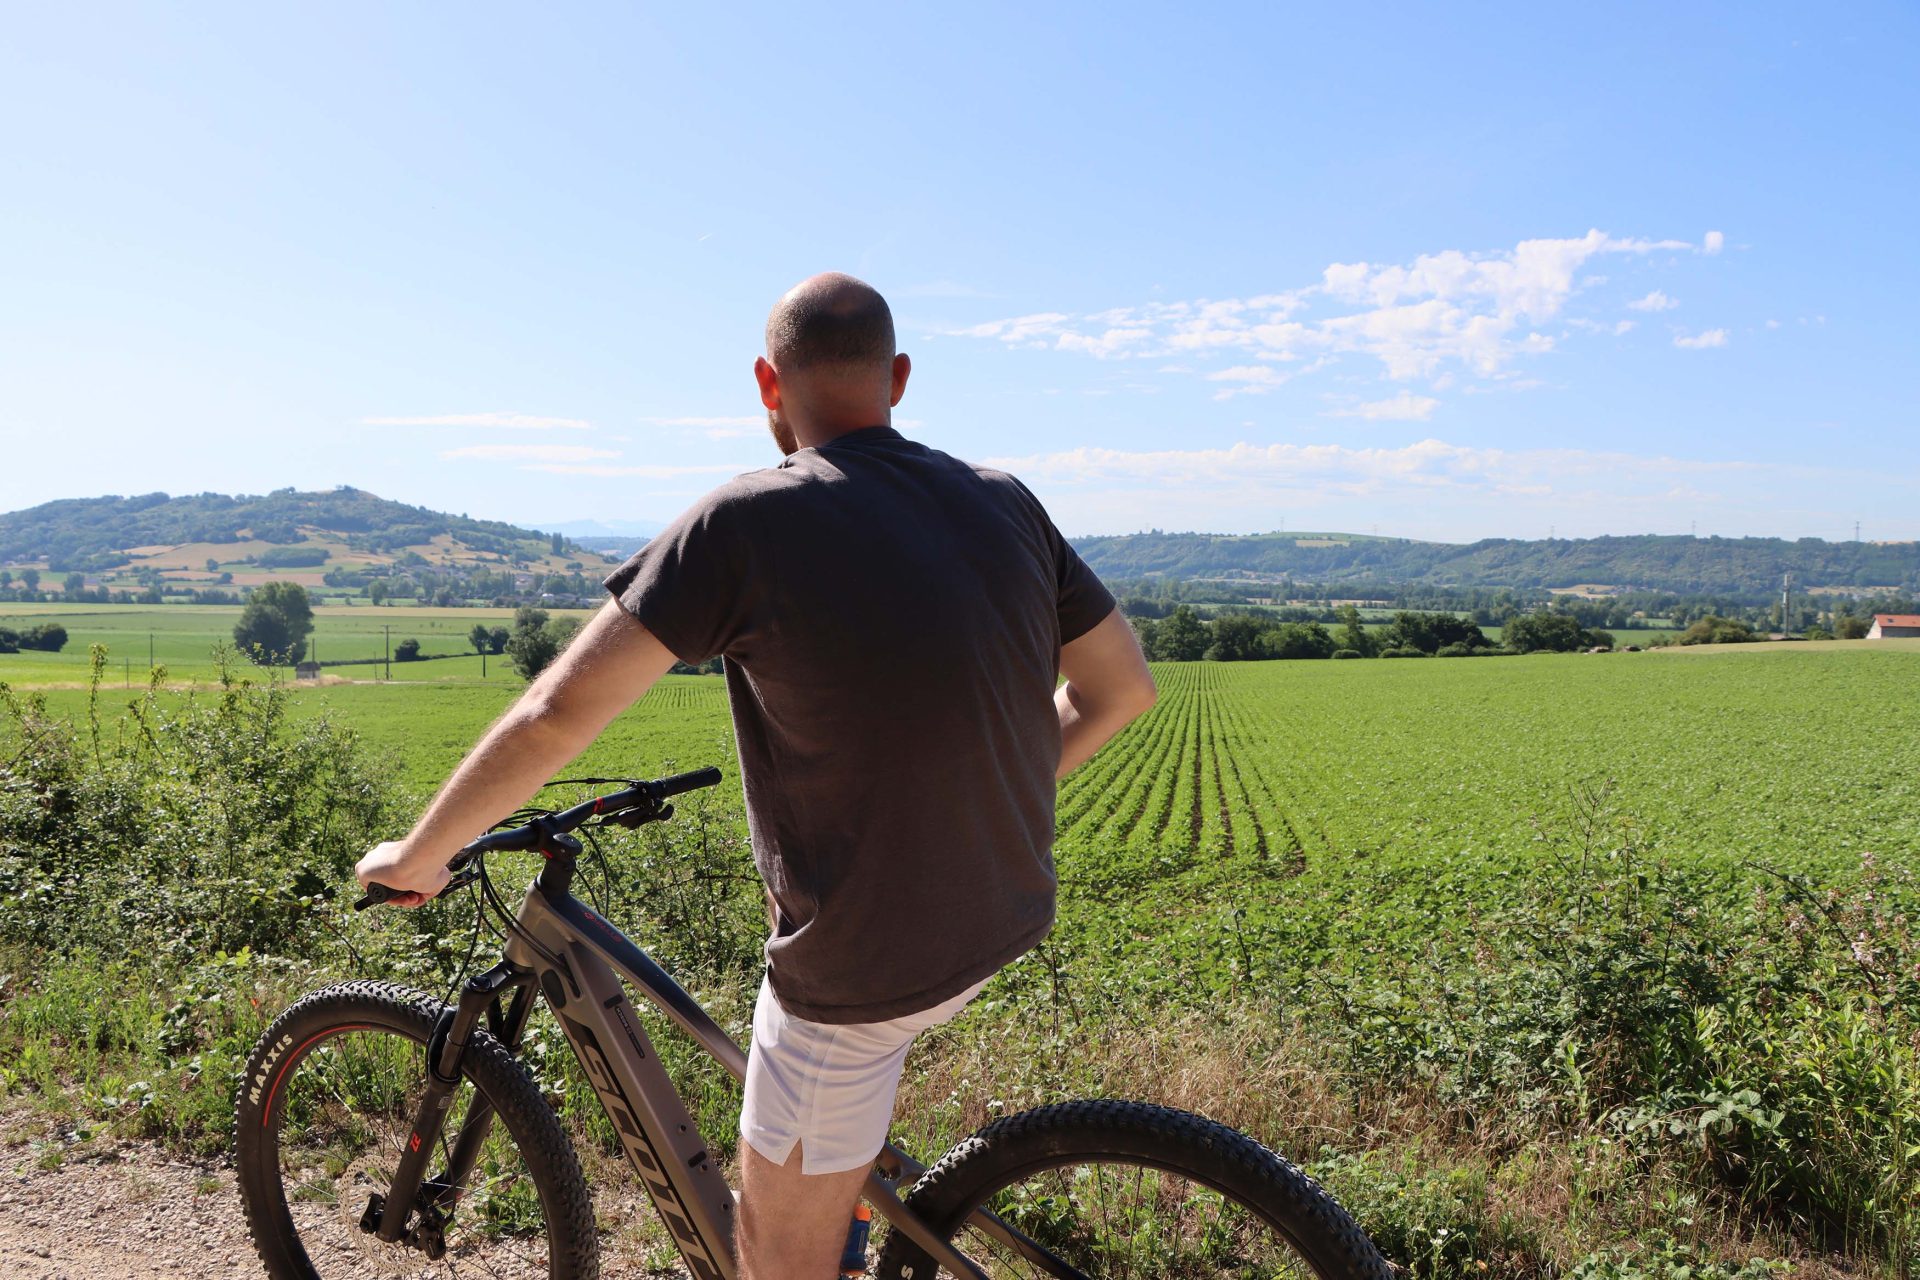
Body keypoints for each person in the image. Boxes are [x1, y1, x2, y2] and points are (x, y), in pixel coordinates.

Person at [356, 272, 1158, 1278]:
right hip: (1003, 907)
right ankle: (844, 1206)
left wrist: (422, 849)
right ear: (898, 378)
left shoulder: (745, 523)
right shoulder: (1004, 501)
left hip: (862, 968)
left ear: (766, 384)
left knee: (773, 1259)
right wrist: (991, 790)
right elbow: (1121, 688)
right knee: (827, 1143)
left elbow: (556, 711)